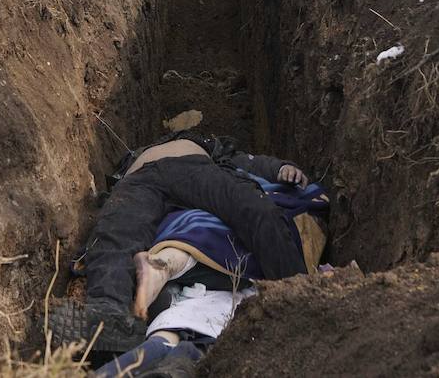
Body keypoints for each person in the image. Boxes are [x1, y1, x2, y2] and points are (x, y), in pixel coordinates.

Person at [48, 132, 315, 353]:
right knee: (115, 234)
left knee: (256, 209)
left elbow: (248, 163)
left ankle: (298, 300)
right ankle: (108, 319)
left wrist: (280, 168)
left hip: (192, 169)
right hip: (140, 180)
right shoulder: (132, 160)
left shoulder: (206, 144)